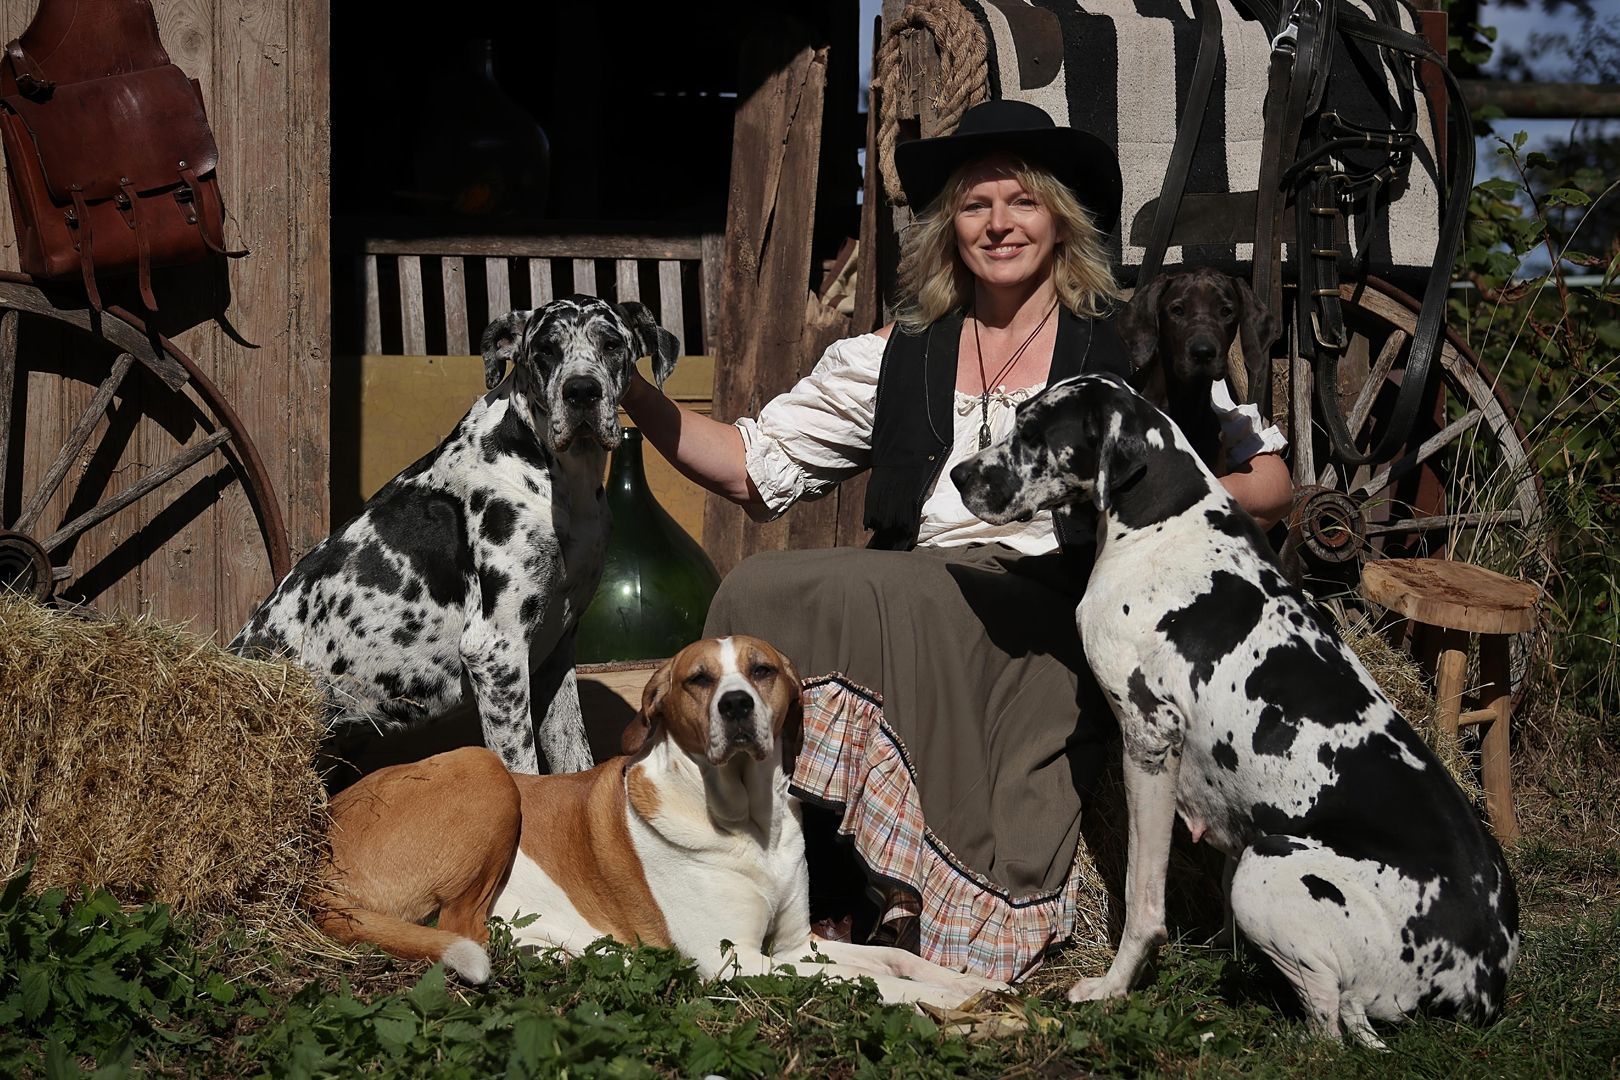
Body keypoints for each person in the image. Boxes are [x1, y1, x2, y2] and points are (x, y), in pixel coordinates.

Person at [622, 100, 1292, 982]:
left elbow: (1269, 482)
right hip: (925, 587)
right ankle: (751, 869)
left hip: (1048, 593)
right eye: (976, 206)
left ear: (1059, 219)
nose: (999, 224)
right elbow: (750, 467)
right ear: (951, 228)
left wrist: (1147, 503)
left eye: (1022, 202)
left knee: (883, 592)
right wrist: (630, 391)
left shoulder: (1122, 347)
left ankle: (921, 899)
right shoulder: (901, 353)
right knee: (758, 590)